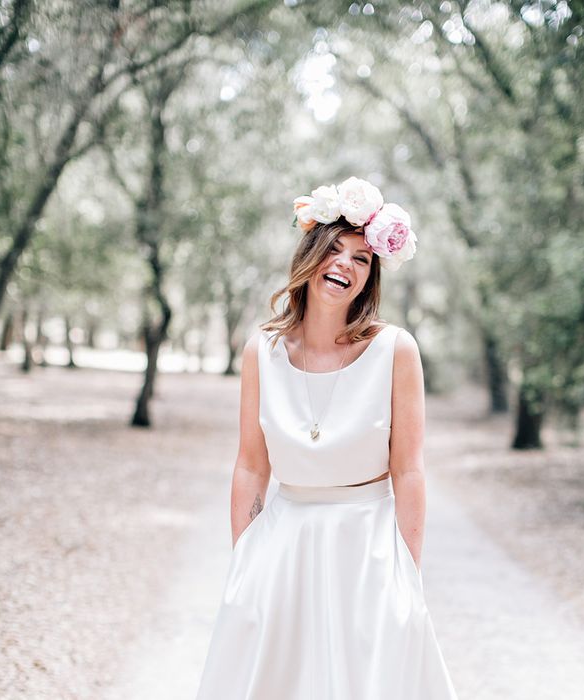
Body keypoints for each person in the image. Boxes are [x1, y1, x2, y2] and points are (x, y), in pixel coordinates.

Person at [195, 177, 458, 699]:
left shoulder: (396, 351)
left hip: (369, 551)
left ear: (370, 277)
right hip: (282, 550)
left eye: (361, 259)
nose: (344, 265)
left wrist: (408, 573)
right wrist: (244, 560)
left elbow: (408, 470)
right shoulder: (261, 352)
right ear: (310, 256)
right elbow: (251, 465)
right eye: (334, 250)